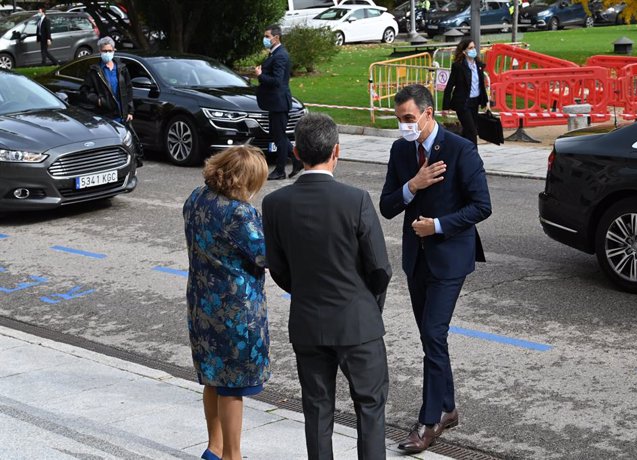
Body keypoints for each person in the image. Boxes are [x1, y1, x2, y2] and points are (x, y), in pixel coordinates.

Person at [262, 113, 392, 459]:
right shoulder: (356, 200)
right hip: (357, 320)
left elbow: (279, 269)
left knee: (317, 410)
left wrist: (305, 289)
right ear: (337, 151)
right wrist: (366, 304)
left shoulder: (274, 204)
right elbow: (380, 268)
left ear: (295, 152)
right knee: (370, 408)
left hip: (308, 320)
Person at [380, 84, 491, 454]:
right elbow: (387, 205)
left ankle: (429, 421)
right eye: (399, 120)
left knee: (433, 334)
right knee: (432, 338)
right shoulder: (400, 150)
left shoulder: (461, 150)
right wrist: (412, 185)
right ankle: (449, 407)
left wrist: (438, 225)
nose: (404, 126)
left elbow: (481, 206)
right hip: (417, 259)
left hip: (450, 257)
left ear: (428, 113)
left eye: (409, 119)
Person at [184, 145, 270, 460]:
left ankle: (214, 447)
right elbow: (264, 255)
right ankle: (233, 456)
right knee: (233, 386)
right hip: (236, 310)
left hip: (201, 303)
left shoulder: (196, 197)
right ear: (241, 180)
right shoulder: (239, 213)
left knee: (212, 377)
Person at [80, 36, 142, 166]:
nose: (107, 53)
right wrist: (98, 101)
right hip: (105, 114)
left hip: (122, 114)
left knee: (125, 143)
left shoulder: (121, 69)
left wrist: (130, 110)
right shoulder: (95, 71)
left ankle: (127, 166)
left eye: (109, 50)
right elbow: (85, 91)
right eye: (104, 51)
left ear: (114, 50)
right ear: (100, 51)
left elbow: (128, 90)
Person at [255, 24, 303, 180]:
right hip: (274, 103)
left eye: (267, 36)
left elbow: (277, 80)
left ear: (276, 37)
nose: (265, 39)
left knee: (279, 136)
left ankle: (280, 170)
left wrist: (260, 75)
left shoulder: (280, 55)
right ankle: (297, 160)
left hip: (279, 102)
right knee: (277, 135)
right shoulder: (274, 53)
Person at [442, 38, 489, 145]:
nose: (473, 50)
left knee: (467, 131)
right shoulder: (458, 66)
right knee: (472, 131)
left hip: (475, 102)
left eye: (474, 47)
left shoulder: (478, 65)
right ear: (464, 51)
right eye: (470, 48)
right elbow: (449, 86)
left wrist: (485, 102)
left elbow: (481, 85)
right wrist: (445, 106)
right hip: (463, 104)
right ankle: (473, 158)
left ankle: (459, 152)